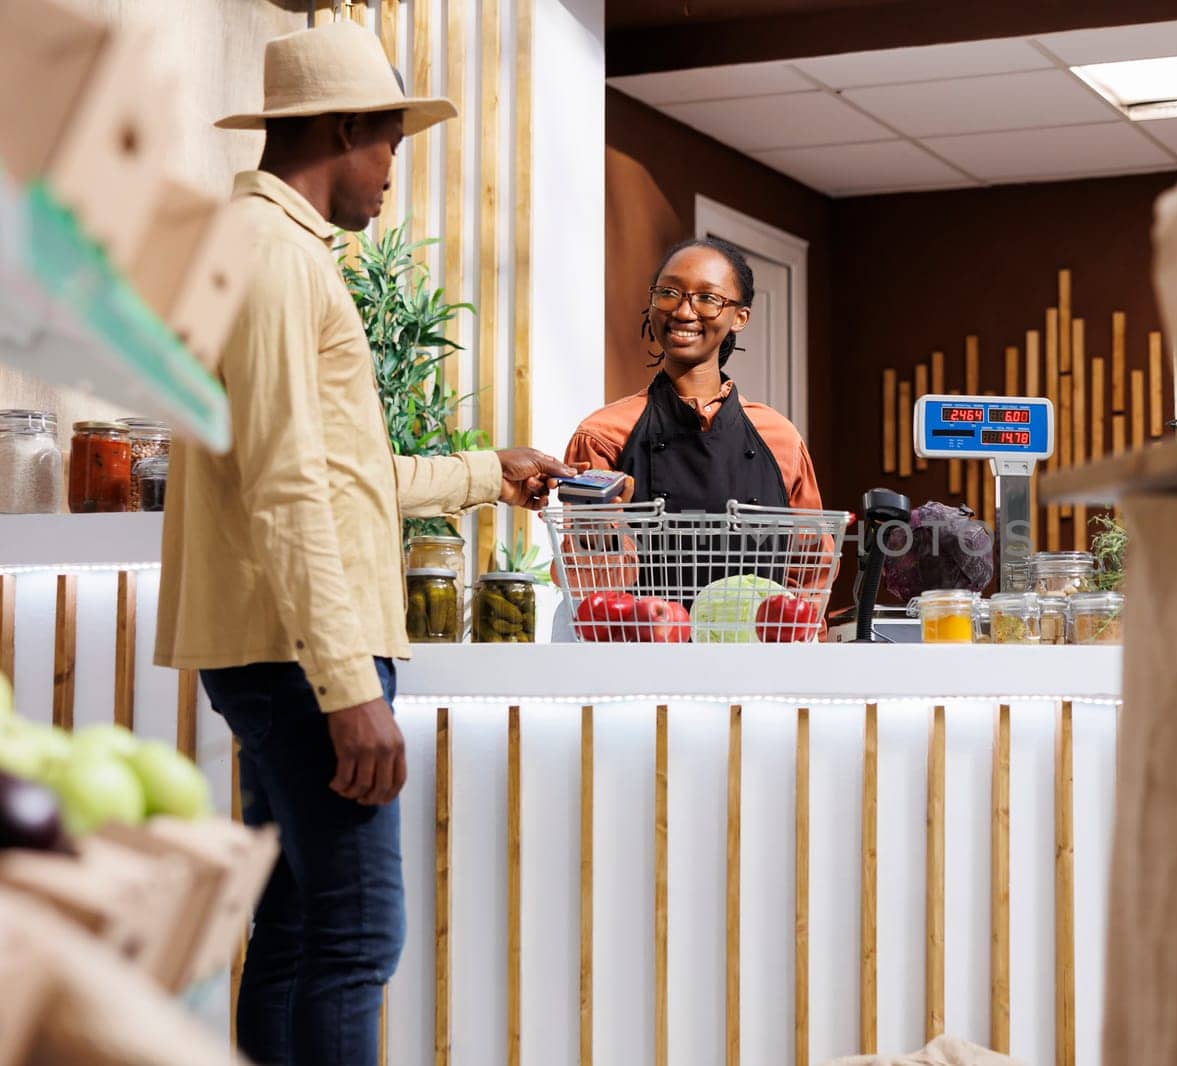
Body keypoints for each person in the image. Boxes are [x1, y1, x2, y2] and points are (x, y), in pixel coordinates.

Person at [153, 23, 573, 1066]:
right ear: (343, 130)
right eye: (389, 144)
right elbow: (289, 484)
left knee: (297, 935)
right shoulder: (278, 260)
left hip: (274, 643)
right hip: (305, 653)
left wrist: (489, 471)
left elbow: (339, 475)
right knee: (355, 937)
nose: (392, 174)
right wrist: (351, 689)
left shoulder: (256, 249)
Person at [565, 237, 821, 515]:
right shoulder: (603, 435)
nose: (684, 311)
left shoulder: (780, 438)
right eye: (668, 293)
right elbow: (586, 553)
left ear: (740, 318)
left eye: (708, 298)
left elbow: (811, 554)